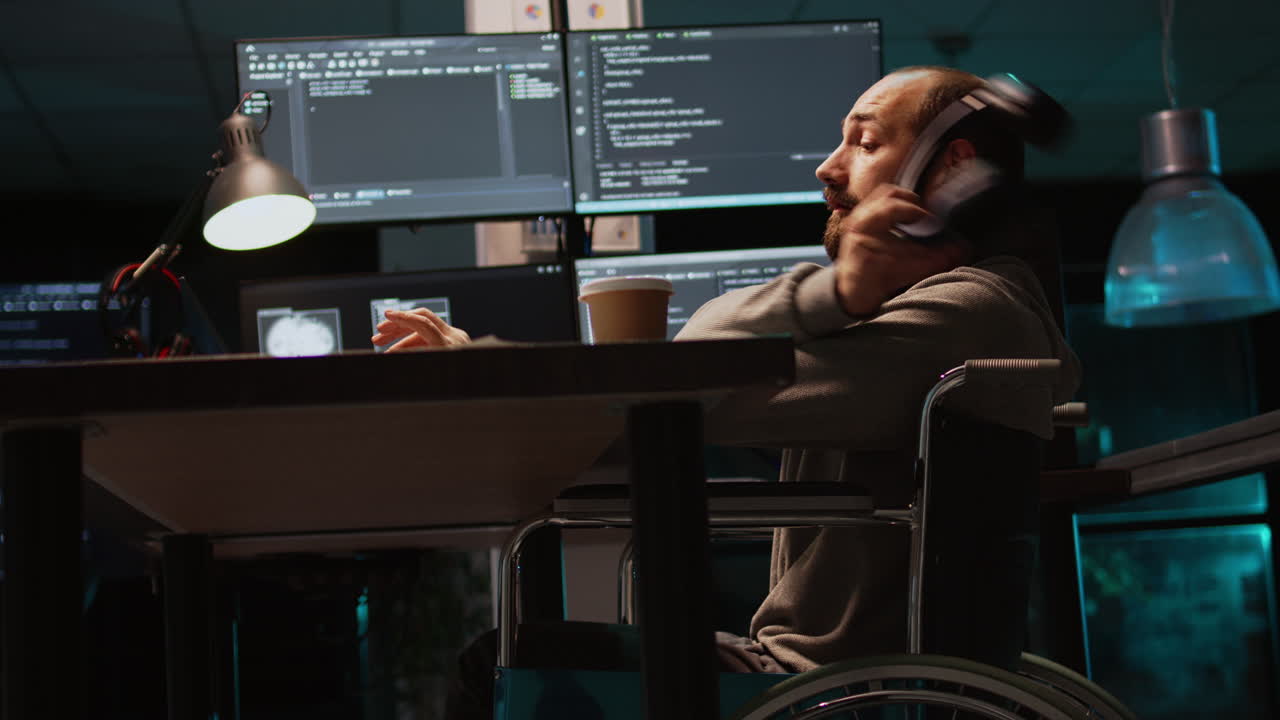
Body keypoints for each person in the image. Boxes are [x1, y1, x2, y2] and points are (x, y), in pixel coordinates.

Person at [374, 66, 1082, 715]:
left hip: (836, 689)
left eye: (863, 143)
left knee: (497, 661)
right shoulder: (951, 315)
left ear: (958, 172)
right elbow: (698, 358)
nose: (828, 168)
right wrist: (838, 293)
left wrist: (834, 292)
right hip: (832, 674)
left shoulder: (963, 316)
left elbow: (692, 385)